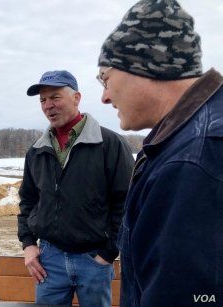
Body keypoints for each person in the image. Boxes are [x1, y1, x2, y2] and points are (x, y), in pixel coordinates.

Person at [97, 0, 223, 306]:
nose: (104, 97)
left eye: (105, 78)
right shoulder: (186, 138)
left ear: (143, 63)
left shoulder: (193, 158)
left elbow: (190, 298)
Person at [17, 70, 134, 306]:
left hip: (93, 260)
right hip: (48, 261)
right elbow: (28, 201)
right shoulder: (37, 151)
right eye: (43, 100)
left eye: (55, 97)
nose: (48, 105)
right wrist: (29, 245)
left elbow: (127, 204)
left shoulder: (110, 144)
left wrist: (107, 254)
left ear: (76, 98)